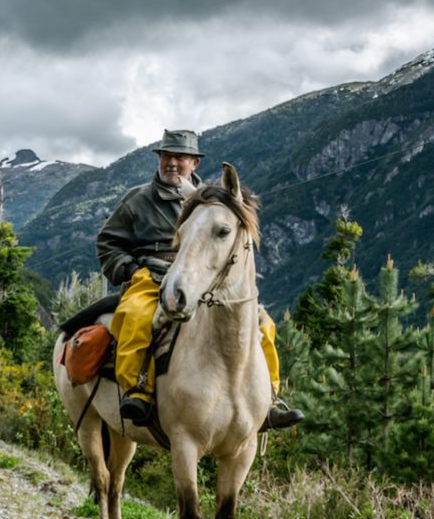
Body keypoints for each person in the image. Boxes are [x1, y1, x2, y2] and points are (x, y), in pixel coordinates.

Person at [96, 129, 303, 431]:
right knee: (136, 316)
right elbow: (107, 242)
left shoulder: (206, 201)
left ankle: (269, 401)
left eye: (180, 157)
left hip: (202, 279)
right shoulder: (138, 200)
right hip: (151, 275)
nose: (171, 163)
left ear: (194, 163)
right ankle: (138, 389)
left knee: (262, 323)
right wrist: (128, 269)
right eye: (167, 156)